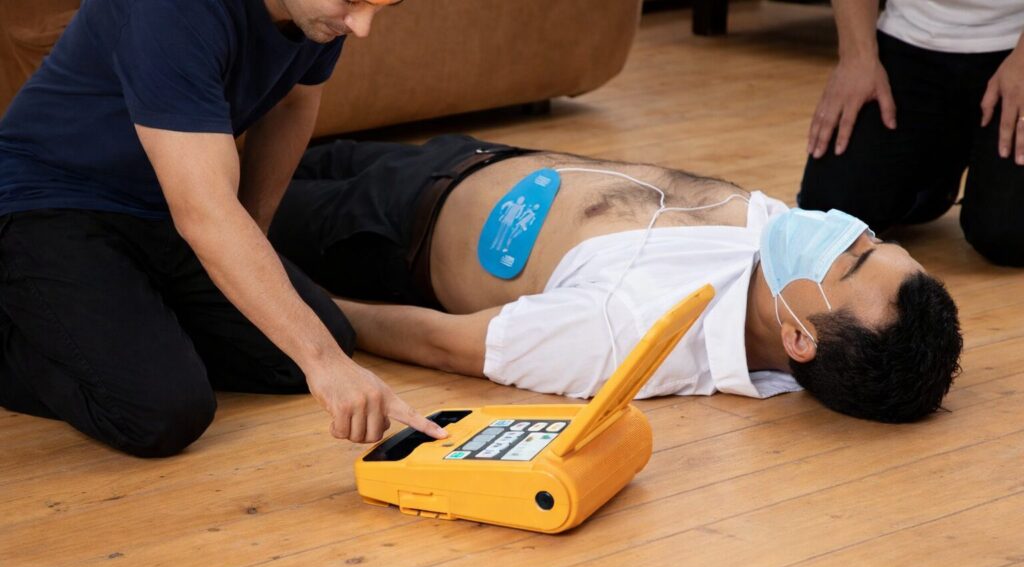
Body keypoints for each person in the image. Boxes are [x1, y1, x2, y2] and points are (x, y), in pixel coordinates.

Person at [0, 0, 446, 459]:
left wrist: (249, 243)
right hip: (47, 203)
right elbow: (204, 212)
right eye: (352, 1)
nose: (363, 26)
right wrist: (325, 363)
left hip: (162, 208)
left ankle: (127, 331)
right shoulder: (172, 12)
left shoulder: (315, 16)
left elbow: (293, 100)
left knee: (298, 352)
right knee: (161, 413)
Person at [269, 134, 964, 424]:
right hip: (462, 155)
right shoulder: (773, 243)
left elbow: (447, 344)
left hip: (379, 227)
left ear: (799, 336)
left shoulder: (632, 332)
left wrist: (303, 314)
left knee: (188, 186)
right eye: (877, 240)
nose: (846, 232)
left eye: (853, 258)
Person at [799, 0, 1024, 266]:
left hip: (1014, 46)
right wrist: (856, 59)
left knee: (1007, 235)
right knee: (831, 214)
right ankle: (935, 175)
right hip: (910, 39)